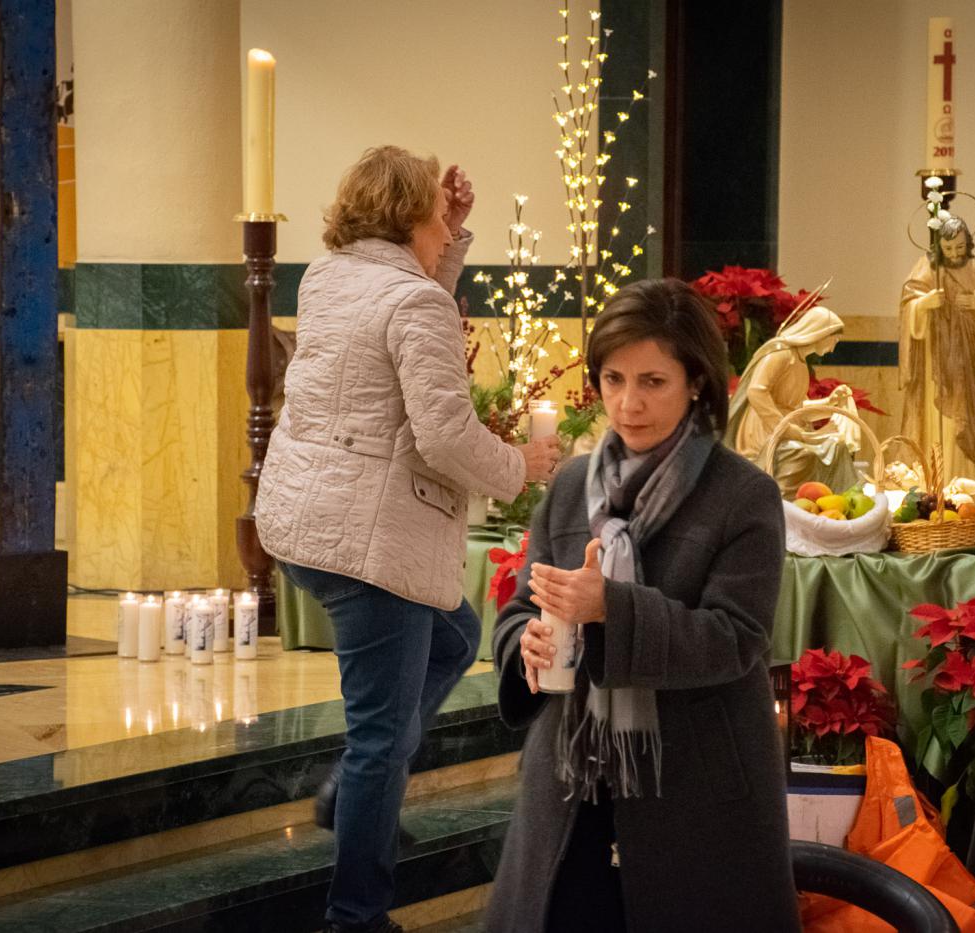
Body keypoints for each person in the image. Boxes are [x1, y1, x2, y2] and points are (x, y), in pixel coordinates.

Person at [254, 145, 561, 933]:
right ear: (407, 217)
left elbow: (411, 307)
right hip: (368, 543)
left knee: (456, 634)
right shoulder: (412, 300)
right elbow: (445, 434)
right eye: (435, 209)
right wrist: (518, 465)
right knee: (382, 739)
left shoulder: (328, 277)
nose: (443, 218)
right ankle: (355, 913)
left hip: (303, 523)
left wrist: (450, 237)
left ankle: (347, 794)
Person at [486, 278, 800, 933]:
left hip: (696, 790)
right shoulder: (572, 485)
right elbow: (522, 607)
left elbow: (735, 637)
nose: (628, 403)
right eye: (613, 378)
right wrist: (526, 645)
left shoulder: (743, 495)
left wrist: (611, 611)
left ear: (696, 383)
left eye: (653, 381)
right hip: (572, 784)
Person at [898, 214, 975, 477]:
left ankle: (961, 478)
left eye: (960, 247)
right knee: (937, 420)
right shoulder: (928, 266)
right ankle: (934, 480)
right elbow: (909, 302)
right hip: (935, 357)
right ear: (938, 247)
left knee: (963, 415)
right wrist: (924, 304)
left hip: (965, 356)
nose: (955, 254)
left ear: (968, 242)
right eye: (948, 249)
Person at [726, 302, 860, 498]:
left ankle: (841, 502)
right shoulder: (781, 353)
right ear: (819, 333)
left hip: (789, 427)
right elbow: (756, 390)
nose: (832, 349)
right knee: (803, 454)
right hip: (765, 431)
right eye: (834, 340)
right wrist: (783, 426)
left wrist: (830, 403)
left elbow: (799, 408)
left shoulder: (800, 362)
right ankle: (788, 507)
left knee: (837, 445)